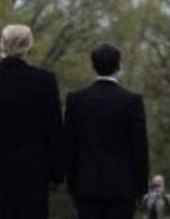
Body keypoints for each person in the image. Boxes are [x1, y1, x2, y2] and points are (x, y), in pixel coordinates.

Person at [0, 24, 64, 219]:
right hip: (32, 171)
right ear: (29, 46)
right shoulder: (45, 81)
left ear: (1, 45)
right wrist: (57, 173)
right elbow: (54, 129)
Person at [64, 43, 150, 219]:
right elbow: (139, 147)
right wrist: (141, 188)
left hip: (86, 186)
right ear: (118, 66)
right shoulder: (131, 101)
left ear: (93, 66)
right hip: (122, 189)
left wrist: (71, 184)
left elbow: (70, 146)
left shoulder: (76, 100)